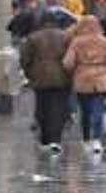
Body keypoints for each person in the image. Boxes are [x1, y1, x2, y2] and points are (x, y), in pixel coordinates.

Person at [63, 15, 106, 153]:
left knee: (85, 111)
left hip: (82, 79)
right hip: (101, 79)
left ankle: (86, 138)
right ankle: (97, 140)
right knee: (98, 109)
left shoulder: (76, 42)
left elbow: (67, 63)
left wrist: (73, 72)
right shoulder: (105, 42)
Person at [20, 13, 71, 151]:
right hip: (62, 77)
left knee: (42, 107)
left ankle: (45, 138)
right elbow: (70, 58)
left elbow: (25, 59)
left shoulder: (33, 38)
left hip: (39, 77)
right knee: (59, 108)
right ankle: (56, 138)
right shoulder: (66, 37)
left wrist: (29, 74)